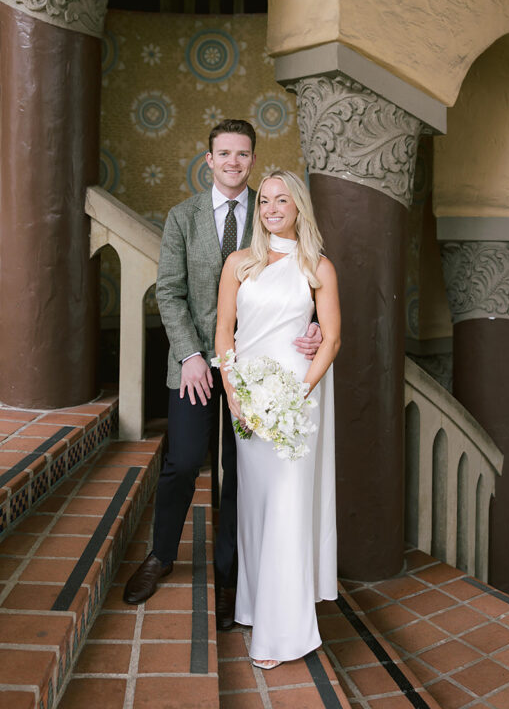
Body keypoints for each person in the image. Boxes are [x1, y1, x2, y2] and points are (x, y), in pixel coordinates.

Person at [123, 121, 322, 630]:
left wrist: (315, 327)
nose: (234, 162)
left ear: (253, 160)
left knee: (240, 473)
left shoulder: (270, 211)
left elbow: (305, 274)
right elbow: (169, 291)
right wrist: (190, 353)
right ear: (208, 159)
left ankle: (233, 577)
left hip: (256, 371)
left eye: (243, 154)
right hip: (194, 366)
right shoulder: (182, 217)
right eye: (224, 153)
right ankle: (161, 556)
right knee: (184, 460)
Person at [215, 169, 341, 668]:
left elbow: (329, 338)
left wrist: (295, 395)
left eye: (281, 200)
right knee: (257, 507)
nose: (271, 209)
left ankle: (282, 634)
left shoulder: (318, 267)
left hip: (295, 403)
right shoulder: (239, 263)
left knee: (288, 508)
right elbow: (224, 331)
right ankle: (254, 605)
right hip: (246, 399)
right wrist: (233, 392)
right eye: (264, 200)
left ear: (298, 208)